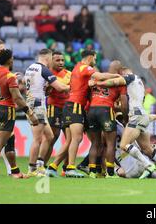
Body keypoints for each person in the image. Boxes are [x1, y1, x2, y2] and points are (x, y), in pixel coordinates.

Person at [93, 67, 156, 179]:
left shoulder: (130, 77)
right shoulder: (139, 83)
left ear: (124, 73)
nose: (119, 76)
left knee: (124, 145)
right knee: (147, 149)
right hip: (142, 115)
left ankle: (148, 165)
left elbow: (114, 81)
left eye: (121, 74)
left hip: (135, 116)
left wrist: (97, 83)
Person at [47, 50, 120, 178]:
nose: (95, 61)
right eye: (95, 59)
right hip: (75, 106)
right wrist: (117, 77)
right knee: (77, 138)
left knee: (70, 140)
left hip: (70, 105)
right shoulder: (86, 67)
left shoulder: (77, 68)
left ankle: (53, 167)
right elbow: (101, 76)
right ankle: (70, 168)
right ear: (90, 57)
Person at [0, 49, 38, 179]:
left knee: (9, 140)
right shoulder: (9, 76)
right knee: (0, 141)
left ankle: (15, 171)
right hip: (6, 110)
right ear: (10, 60)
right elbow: (17, 98)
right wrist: (30, 113)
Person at [24, 49, 69, 177]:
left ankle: (40, 165)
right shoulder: (44, 70)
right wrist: (73, 86)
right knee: (37, 139)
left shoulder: (30, 68)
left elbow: (26, 84)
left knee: (49, 136)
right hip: (38, 104)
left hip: (33, 102)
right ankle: (32, 169)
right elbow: (60, 88)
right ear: (48, 58)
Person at [84, 61, 126, 178]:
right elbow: (124, 103)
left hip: (91, 111)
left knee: (95, 143)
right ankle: (110, 173)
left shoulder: (99, 78)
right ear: (120, 70)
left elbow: (88, 94)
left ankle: (92, 172)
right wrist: (125, 117)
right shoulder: (120, 81)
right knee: (110, 143)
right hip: (106, 110)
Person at [44, 51, 71, 166]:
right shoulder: (48, 74)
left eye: (62, 60)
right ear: (51, 61)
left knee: (70, 139)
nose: (61, 62)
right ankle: (42, 165)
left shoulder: (70, 74)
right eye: (57, 60)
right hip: (54, 108)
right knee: (52, 138)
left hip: (68, 108)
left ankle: (66, 167)